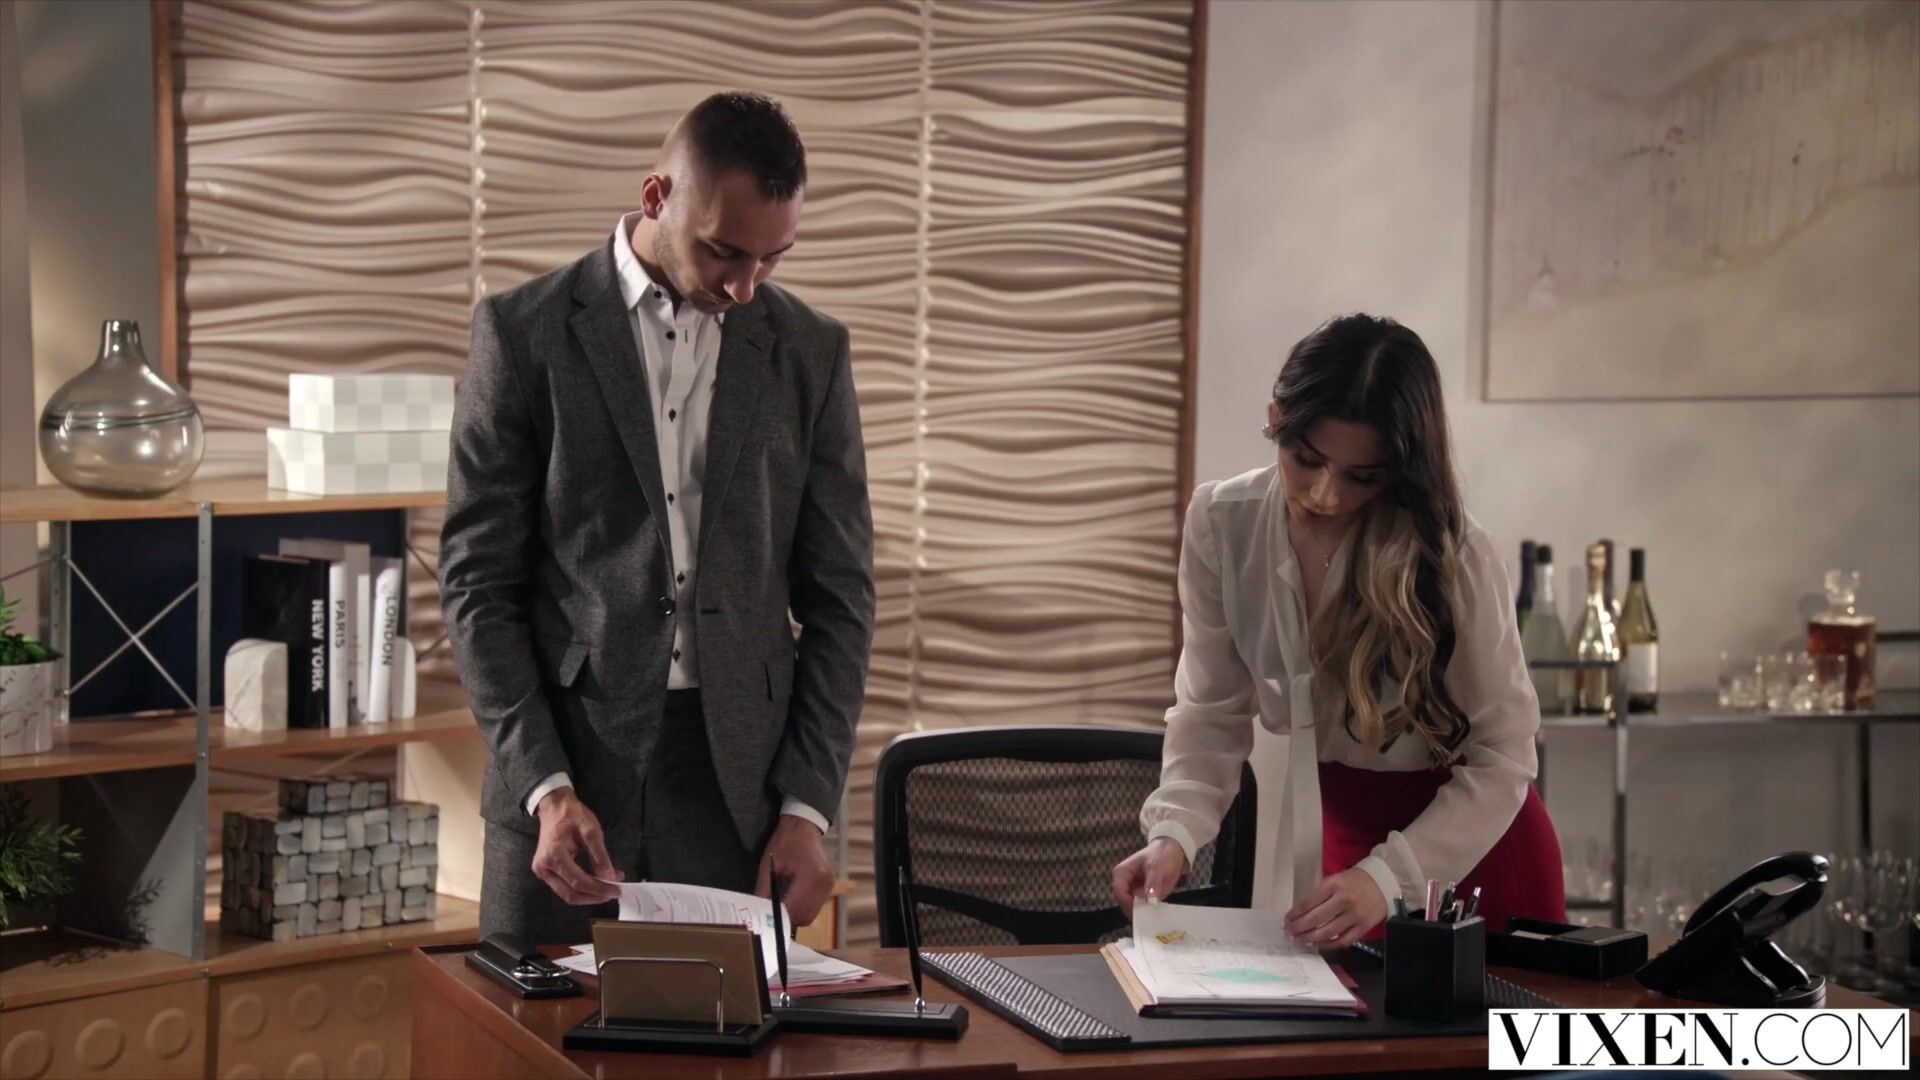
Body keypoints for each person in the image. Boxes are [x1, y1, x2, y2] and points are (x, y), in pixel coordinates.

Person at [441, 91, 874, 945]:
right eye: (724, 251)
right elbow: (477, 586)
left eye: (773, 258)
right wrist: (545, 787)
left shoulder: (811, 353)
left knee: (723, 1030)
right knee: (531, 1026)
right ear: (655, 197)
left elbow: (842, 600)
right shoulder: (523, 335)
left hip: (739, 802)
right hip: (564, 786)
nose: (745, 286)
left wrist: (807, 806)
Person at [1112, 314, 1564, 947]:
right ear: (1275, 420)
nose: (1325, 494)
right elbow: (1211, 709)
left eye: (1362, 476)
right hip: (1343, 857)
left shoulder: (1454, 554)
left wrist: (1386, 880)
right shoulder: (1222, 524)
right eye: (1307, 460)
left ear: (1400, 468)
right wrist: (1174, 835)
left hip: (1470, 859)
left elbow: (1506, 755)